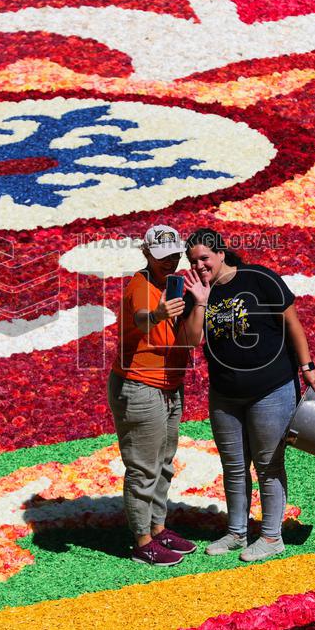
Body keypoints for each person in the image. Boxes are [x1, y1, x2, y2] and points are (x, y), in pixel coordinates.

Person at [182, 227, 315, 563]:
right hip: (224, 393)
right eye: (193, 261)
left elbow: (292, 324)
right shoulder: (198, 291)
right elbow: (191, 341)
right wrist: (200, 302)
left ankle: (272, 537)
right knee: (233, 466)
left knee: (268, 464)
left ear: (221, 253)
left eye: (204, 257)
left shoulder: (259, 278)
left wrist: (307, 366)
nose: (200, 265)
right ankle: (237, 532)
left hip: (270, 389)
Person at [107, 224, 209, 566]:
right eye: (161, 257)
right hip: (138, 385)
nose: (169, 263)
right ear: (146, 254)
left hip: (168, 384)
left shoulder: (179, 285)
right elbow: (142, 318)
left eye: (173, 256)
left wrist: (200, 302)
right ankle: (142, 540)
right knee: (143, 467)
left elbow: (191, 340)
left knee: (163, 463)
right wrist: (159, 314)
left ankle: (158, 527)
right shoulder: (140, 284)